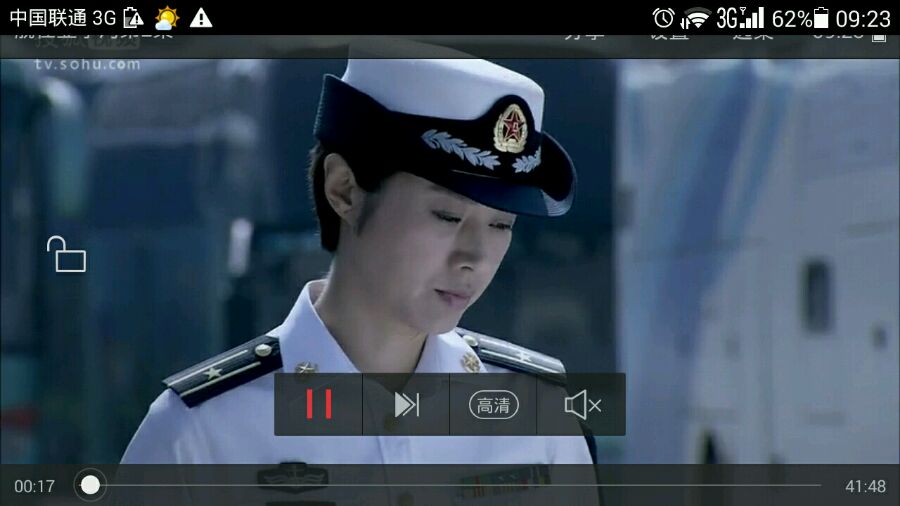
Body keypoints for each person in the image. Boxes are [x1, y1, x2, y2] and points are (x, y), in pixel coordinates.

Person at [120, 46, 594, 466]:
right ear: (344, 190)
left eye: (501, 225)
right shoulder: (199, 434)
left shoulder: (541, 417)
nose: (475, 256)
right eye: (447, 216)